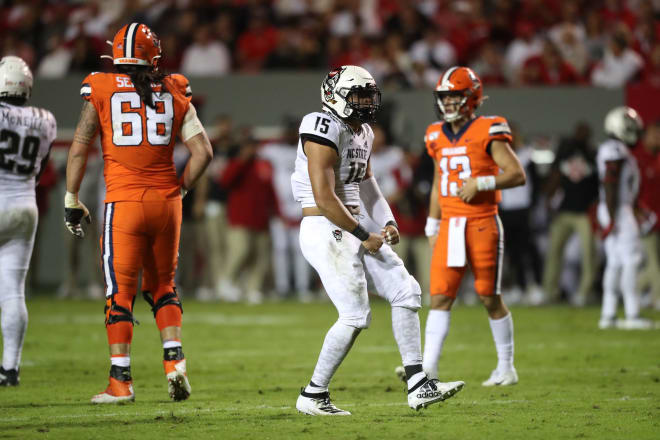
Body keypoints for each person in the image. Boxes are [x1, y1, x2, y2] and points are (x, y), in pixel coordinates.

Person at [291, 65, 464, 416]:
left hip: (350, 225)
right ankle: (312, 395)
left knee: (406, 290)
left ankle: (418, 384)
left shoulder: (364, 131)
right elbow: (325, 198)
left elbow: (367, 183)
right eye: (358, 96)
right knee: (355, 316)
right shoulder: (320, 126)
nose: (367, 102)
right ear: (334, 96)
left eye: (369, 95)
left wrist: (386, 220)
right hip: (325, 227)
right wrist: (362, 233)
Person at [64, 23, 213, 403]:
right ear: (154, 56)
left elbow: (80, 147)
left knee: (120, 294)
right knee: (164, 287)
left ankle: (121, 382)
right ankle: (175, 365)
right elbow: (204, 153)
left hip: (124, 205)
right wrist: (181, 189)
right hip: (167, 204)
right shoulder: (176, 88)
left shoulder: (99, 86)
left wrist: (71, 196)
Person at [421, 67, 526, 387]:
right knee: (440, 296)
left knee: (488, 295)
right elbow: (440, 179)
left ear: (472, 97)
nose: (449, 102)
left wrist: (481, 181)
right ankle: (427, 371)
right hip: (450, 223)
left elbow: (516, 174)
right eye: (445, 96)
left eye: (455, 95)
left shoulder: (488, 128)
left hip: (481, 222)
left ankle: (506, 366)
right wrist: (432, 222)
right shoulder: (435, 134)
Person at [0, 56, 56, 386]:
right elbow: (41, 166)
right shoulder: (45, 119)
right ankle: (10, 368)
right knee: (12, 293)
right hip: (25, 206)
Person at [596, 107, 651, 330]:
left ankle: (608, 314)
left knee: (616, 262)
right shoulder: (615, 148)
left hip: (616, 209)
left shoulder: (616, 149)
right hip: (617, 209)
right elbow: (610, 182)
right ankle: (632, 313)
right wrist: (612, 218)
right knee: (631, 260)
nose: (636, 132)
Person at [542, 122, 599, 305]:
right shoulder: (565, 150)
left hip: (584, 212)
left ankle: (584, 292)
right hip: (565, 210)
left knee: (589, 254)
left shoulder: (592, 154)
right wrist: (549, 200)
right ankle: (549, 291)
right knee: (554, 251)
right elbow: (555, 175)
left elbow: (599, 183)